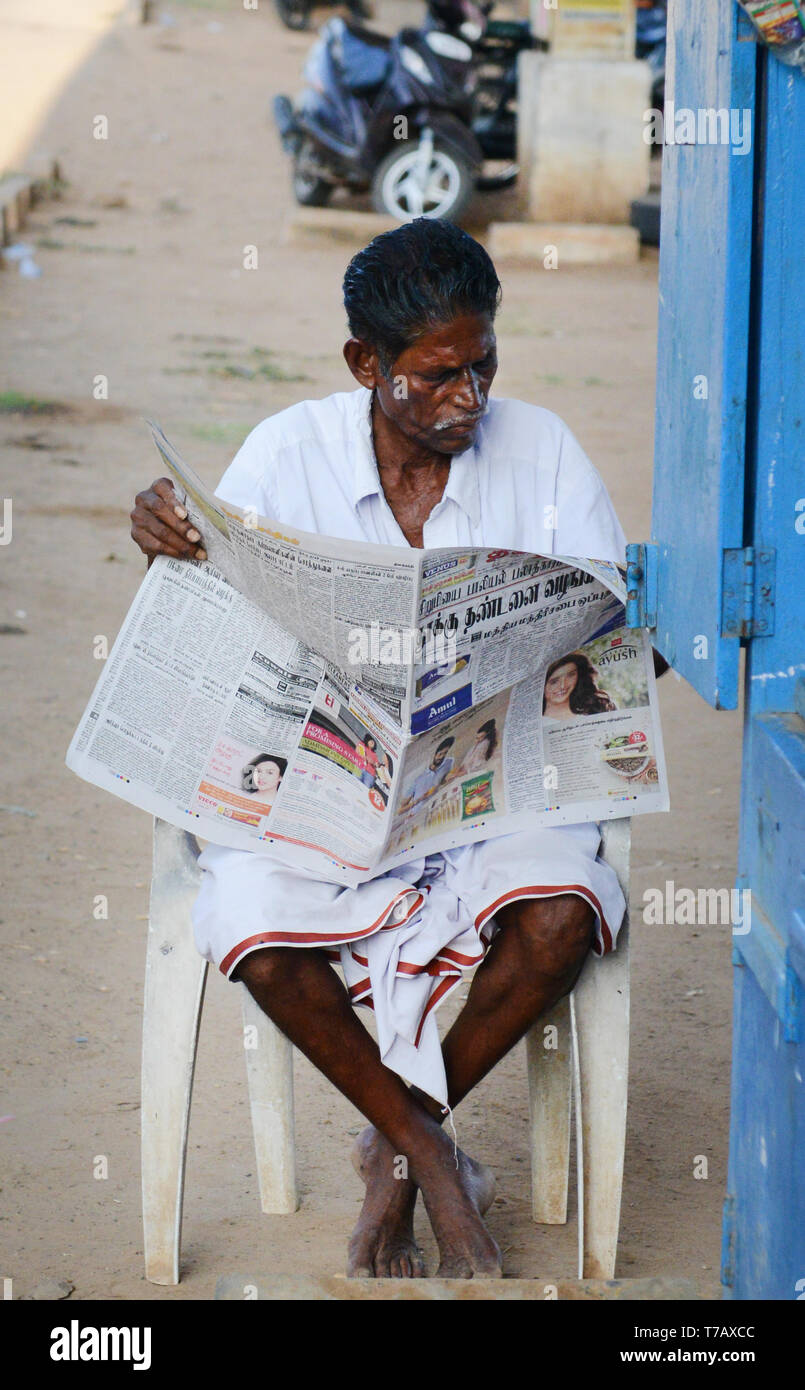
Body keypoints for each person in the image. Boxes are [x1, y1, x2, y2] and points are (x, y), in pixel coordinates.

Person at [130, 217, 660, 1281]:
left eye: (482, 364)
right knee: (250, 925)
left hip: (490, 803)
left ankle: (398, 1150)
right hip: (327, 806)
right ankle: (424, 1148)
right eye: (436, 374)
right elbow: (205, 627)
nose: (469, 396)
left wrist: (608, 647)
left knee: (562, 915)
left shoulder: (543, 451)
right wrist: (167, 542)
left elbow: (616, 643)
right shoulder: (288, 452)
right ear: (365, 366)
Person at [542, 653, 616, 723]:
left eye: (570, 675)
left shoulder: (596, 709)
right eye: (554, 682)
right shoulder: (541, 720)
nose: (562, 686)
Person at [399, 738, 455, 810]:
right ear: (434, 754)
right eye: (440, 754)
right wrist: (417, 801)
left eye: (445, 753)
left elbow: (445, 780)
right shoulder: (419, 778)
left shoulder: (448, 762)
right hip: (417, 813)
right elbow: (402, 806)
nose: (441, 757)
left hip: (436, 808)